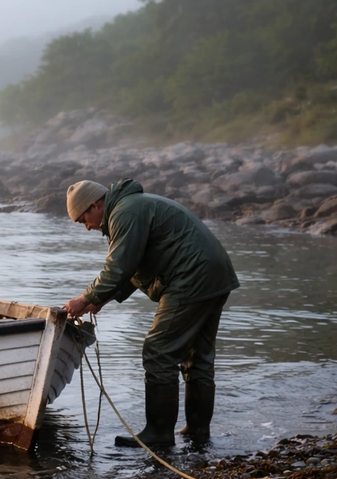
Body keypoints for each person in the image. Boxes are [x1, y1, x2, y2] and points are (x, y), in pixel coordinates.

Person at [63, 179, 239, 447]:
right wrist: (102, 299)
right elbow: (136, 267)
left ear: (95, 205)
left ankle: (158, 434)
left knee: (158, 351)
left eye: (83, 220)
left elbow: (118, 268)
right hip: (215, 273)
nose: (87, 227)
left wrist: (84, 297)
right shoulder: (132, 207)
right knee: (198, 355)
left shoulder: (125, 212)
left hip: (192, 276)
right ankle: (197, 432)